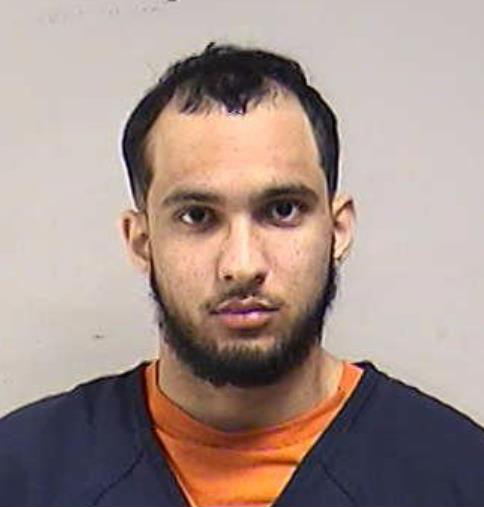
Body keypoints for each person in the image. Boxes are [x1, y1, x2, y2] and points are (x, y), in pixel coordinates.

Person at [0, 43, 483, 507]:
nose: (242, 265)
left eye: (283, 210)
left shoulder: (459, 474)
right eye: (197, 216)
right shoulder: (22, 472)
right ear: (141, 241)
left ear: (338, 230)